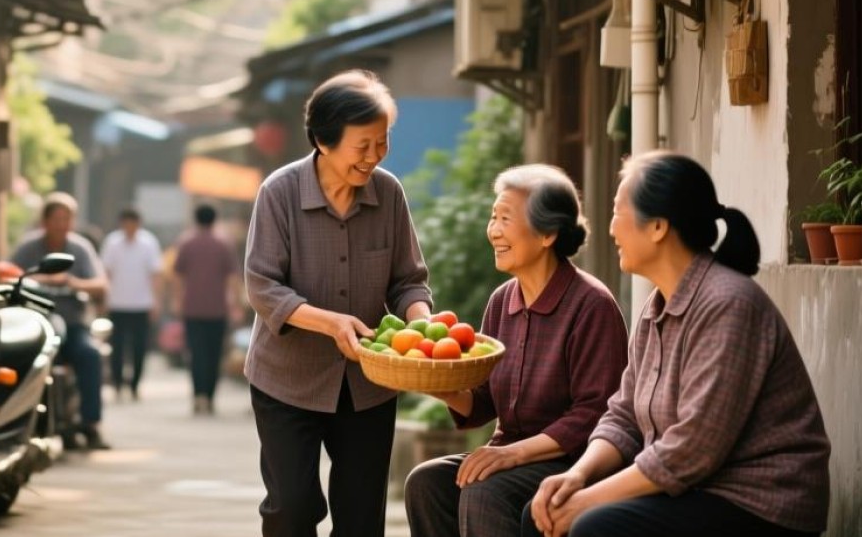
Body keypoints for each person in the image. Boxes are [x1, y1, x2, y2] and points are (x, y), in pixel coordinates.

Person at [524, 151, 831, 537]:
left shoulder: (728, 305)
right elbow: (623, 417)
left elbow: (692, 450)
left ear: (657, 227)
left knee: (594, 526)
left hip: (761, 506)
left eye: (619, 212)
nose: (611, 228)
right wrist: (576, 476)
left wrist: (589, 500)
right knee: (540, 516)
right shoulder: (656, 308)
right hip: (695, 492)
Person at [244, 69, 433, 537]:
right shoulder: (280, 193)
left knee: (361, 516)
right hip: (287, 381)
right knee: (291, 508)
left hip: (368, 383)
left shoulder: (389, 194)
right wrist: (331, 323)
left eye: (382, 142)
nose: (375, 156)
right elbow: (263, 285)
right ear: (325, 141)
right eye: (362, 145)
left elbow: (409, 281)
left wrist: (424, 328)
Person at [405, 164, 629, 537]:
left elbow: (594, 414)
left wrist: (511, 454)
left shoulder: (591, 305)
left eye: (505, 218)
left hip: (573, 463)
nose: (493, 231)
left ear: (547, 234)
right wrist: (437, 382)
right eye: (493, 217)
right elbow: (482, 401)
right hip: (509, 457)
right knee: (426, 484)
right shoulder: (502, 301)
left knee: (483, 493)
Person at [8, 192, 112, 450]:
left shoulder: (80, 249)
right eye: (56, 218)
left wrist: (71, 282)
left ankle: (91, 424)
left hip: (74, 325)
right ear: (45, 220)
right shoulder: (28, 248)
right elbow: (8, 275)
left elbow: (100, 285)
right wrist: (41, 280)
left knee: (90, 355)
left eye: (66, 218)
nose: (61, 224)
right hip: (35, 325)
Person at [172, 203, 243, 415]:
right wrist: (236, 304)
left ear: (196, 219)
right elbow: (232, 277)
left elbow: (177, 275)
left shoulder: (186, 242)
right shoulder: (223, 243)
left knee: (196, 354)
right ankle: (210, 397)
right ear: (214, 219)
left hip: (192, 307)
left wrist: (178, 300)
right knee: (214, 354)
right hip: (217, 308)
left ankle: (198, 395)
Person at [99, 207, 164, 401]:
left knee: (139, 348)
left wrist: (156, 301)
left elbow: (155, 274)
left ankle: (135, 384)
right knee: (117, 347)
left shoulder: (148, 242)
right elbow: (106, 272)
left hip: (141, 303)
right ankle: (118, 383)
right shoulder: (112, 242)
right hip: (117, 303)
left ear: (138, 223)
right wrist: (104, 299)